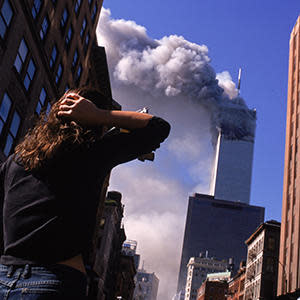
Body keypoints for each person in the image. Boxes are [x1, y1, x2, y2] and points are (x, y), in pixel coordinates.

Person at [0, 87, 170, 299]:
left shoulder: (16, 160)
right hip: (54, 281)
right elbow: (159, 127)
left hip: (3, 276)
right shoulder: (91, 153)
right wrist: (100, 115)